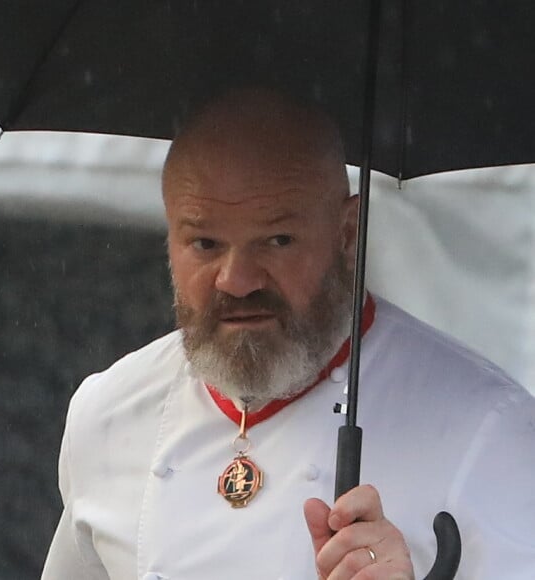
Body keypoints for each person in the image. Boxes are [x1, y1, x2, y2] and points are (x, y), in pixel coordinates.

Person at [42, 87, 535, 579]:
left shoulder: (487, 429)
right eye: (205, 243)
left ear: (347, 234)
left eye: (277, 240)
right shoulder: (106, 414)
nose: (237, 280)